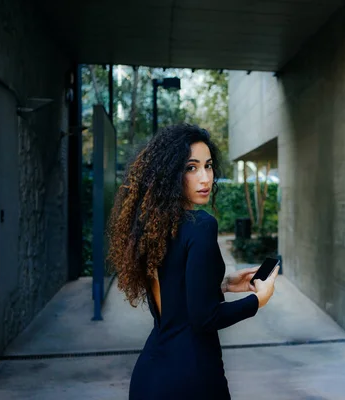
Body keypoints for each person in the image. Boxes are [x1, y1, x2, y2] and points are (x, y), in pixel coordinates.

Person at [106, 123, 279, 399]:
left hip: (150, 375)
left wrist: (221, 284)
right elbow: (204, 319)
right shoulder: (201, 225)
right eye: (191, 167)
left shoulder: (155, 226)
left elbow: (176, 292)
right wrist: (258, 300)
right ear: (171, 173)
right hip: (192, 378)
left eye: (208, 166)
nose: (205, 178)